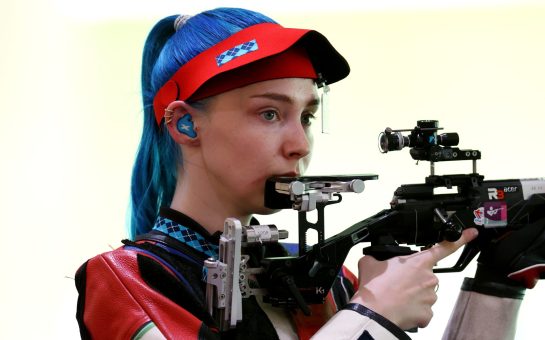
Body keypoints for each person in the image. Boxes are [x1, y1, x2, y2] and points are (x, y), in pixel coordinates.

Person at [74, 7, 545, 340]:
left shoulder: (324, 278)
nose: (299, 144)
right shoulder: (123, 282)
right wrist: (372, 316)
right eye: (269, 114)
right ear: (185, 123)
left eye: (307, 116)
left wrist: (496, 285)